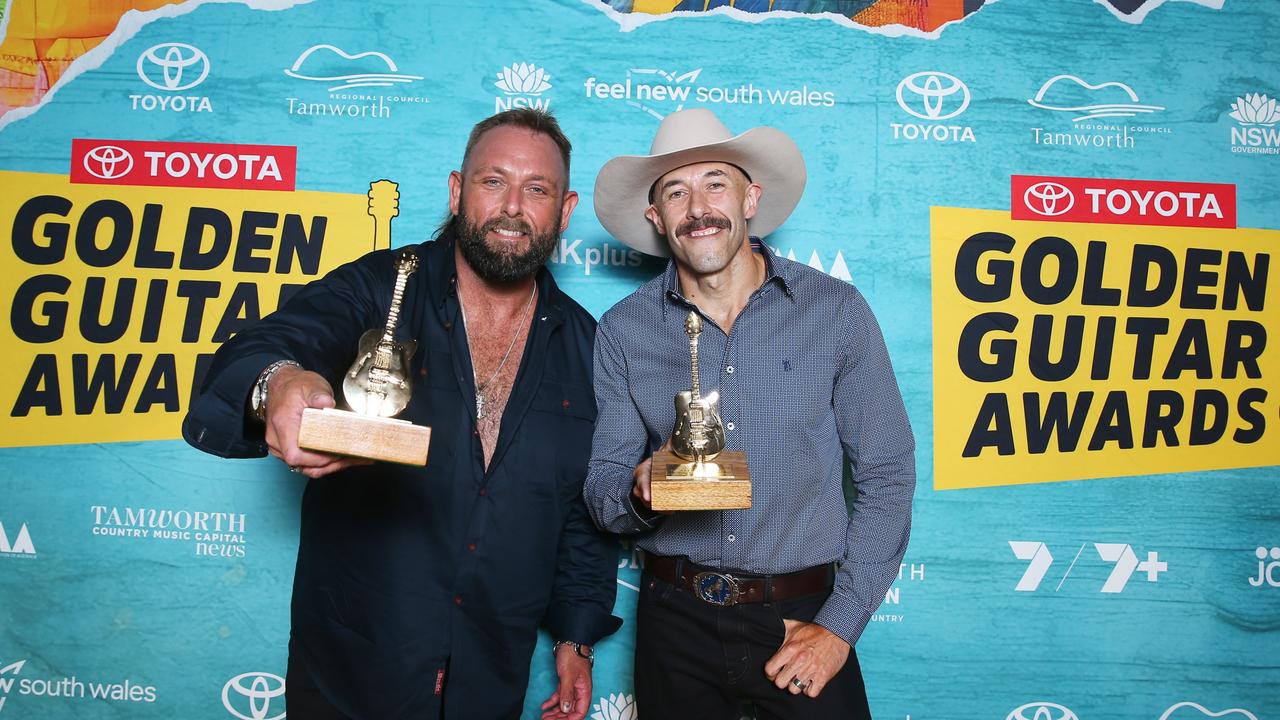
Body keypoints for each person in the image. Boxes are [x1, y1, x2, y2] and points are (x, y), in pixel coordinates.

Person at [184, 108, 621, 720]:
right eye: (493, 181)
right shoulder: (380, 286)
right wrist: (279, 381)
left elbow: (582, 513)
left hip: (488, 677)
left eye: (537, 189)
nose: (512, 207)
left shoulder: (588, 345)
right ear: (456, 190)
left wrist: (576, 639)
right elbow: (255, 350)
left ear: (565, 210)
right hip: (353, 669)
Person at [583, 108, 915, 719]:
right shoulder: (624, 331)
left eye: (716, 183)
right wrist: (638, 491)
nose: (699, 206)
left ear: (751, 198)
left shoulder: (833, 311)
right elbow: (602, 489)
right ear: (656, 218)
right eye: (676, 192)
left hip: (801, 617)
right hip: (673, 619)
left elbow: (888, 474)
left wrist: (838, 628)